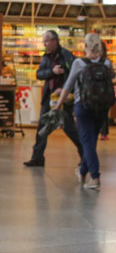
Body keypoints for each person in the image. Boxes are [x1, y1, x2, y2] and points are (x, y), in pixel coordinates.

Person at [53, 33, 113, 189]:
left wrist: (58, 104)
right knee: (90, 141)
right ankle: (82, 170)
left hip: (83, 107)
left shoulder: (79, 63)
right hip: (102, 108)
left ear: (85, 46)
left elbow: (68, 85)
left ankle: (95, 177)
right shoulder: (107, 63)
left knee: (87, 142)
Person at [23, 30, 82, 167]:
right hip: (49, 98)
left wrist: (66, 90)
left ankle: (85, 155)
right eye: (44, 41)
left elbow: (74, 75)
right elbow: (39, 74)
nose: (45, 44)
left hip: (64, 99)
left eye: (47, 41)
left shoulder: (66, 56)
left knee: (69, 128)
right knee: (42, 127)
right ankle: (37, 157)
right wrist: (52, 72)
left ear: (55, 41)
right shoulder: (46, 57)